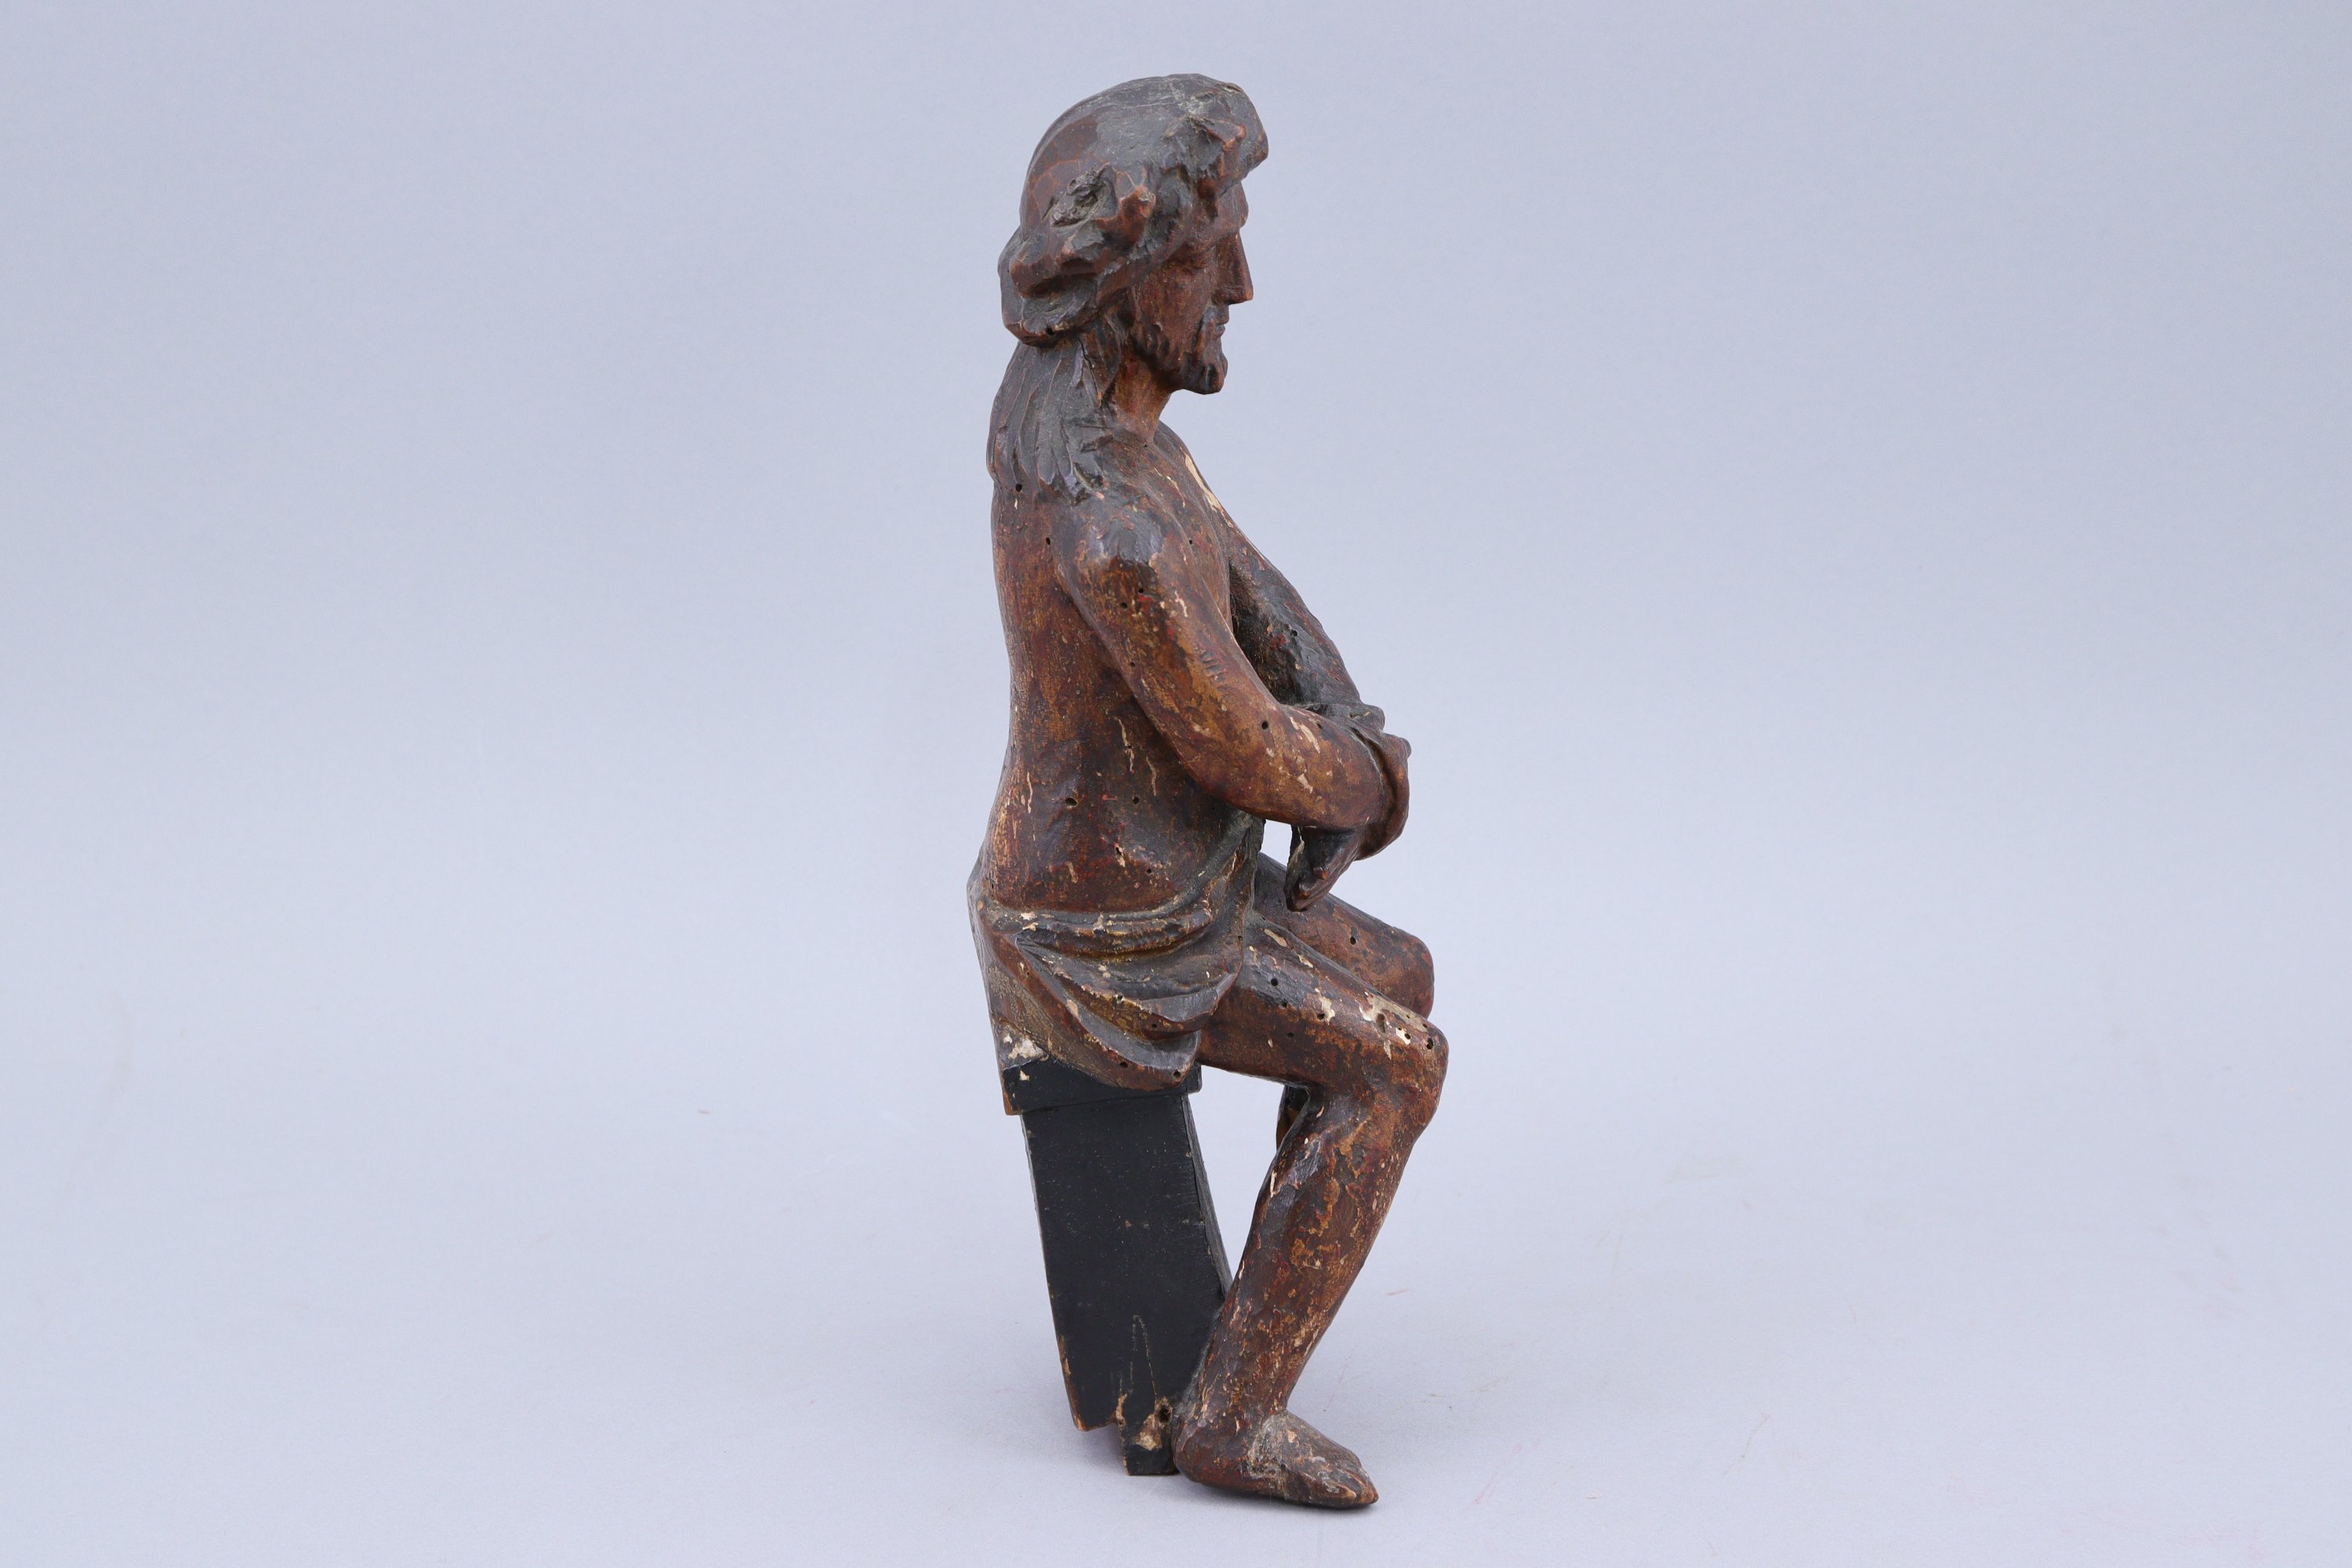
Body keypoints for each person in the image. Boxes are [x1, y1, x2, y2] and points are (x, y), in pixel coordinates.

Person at [970, 75, 1445, 1508]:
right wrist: (1364, 778)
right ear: (1120, 283)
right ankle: (1233, 1413)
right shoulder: (1104, 519)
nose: (1239, 284)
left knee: (1401, 976)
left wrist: (1352, 729)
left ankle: (1241, 1330)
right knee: (1397, 1066)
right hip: (1103, 933)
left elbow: (1261, 601)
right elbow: (1236, 745)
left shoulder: (1130, 446)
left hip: (1168, 879)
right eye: (1206, 252)